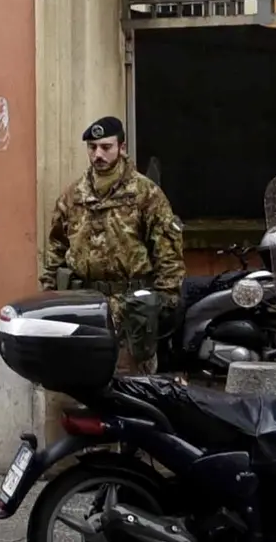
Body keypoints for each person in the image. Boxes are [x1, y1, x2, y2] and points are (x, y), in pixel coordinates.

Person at [40, 116, 186, 372]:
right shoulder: (73, 196)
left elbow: (168, 253)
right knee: (83, 383)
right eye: (92, 147)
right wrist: (49, 293)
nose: (98, 154)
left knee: (132, 389)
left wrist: (165, 301)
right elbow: (56, 248)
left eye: (106, 147)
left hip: (132, 310)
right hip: (84, 308)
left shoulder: (145, 194)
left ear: (122, 147)